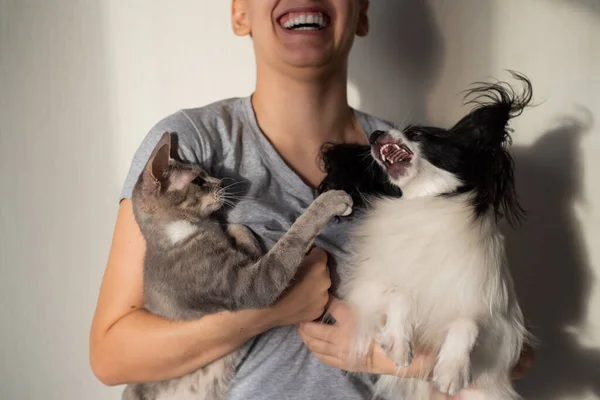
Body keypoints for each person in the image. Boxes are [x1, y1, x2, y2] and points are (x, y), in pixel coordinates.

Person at [89, 1, 533, 399]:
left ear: (361, 13)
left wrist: (381, 358)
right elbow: (111, 356)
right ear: (239, 12)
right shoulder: (195, 143)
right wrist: (267, 308)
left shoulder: (416, 163)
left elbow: (512, 348)